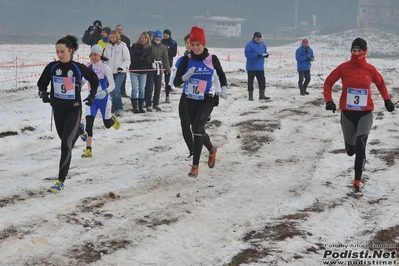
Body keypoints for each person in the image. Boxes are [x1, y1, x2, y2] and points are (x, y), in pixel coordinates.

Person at [323, 37, 395, 198]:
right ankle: (352, 149)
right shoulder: (343, 68)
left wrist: (387, 100)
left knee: (361, 143)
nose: (356, 54)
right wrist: (329, 101)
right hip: (348, 114)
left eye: (359, 51)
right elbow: (328, 82)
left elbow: (381, 84)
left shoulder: (370, 69)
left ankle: (356, 183)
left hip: (365, 113)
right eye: (354, 51)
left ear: (365, 51)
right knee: (350, 150)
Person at [37, 35, 99, 193]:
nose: (59, 54)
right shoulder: (52, 67)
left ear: (70, 51)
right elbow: (41, 84)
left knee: (65, 145)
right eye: (57, 51)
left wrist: (92, 96)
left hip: (74, 109)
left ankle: (60, 180)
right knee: (66, 141)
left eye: (62, 51)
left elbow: (94, 79)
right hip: (58, 110)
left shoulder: (77, 68)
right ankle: (80, 129)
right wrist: (43, 94)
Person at [174, 26, 228, 178]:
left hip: (206, 99)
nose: (195, 47)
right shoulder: (186, 60)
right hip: (190, 100)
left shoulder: (212, 59)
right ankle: (211, 150)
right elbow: (176, 82)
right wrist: (185, 77)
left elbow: (221, 75)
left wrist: (223, 88)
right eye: (193, 44)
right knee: (198, 130)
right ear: (189, 45)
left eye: (198, 44)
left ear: (203, 44)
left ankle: (195, 167)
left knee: (197, 128)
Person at [81, 44, 120, 158]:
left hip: (104, 100)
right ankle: (88, 150)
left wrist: (106, 91)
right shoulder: (88, 68)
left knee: (107, 125)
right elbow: (83, 81)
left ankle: (112, 119)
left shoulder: (104, 67)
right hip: (92, 100)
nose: (93, 57)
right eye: (91, 54)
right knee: (89, 124)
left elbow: (113, 84)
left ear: (100, 55)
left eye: (95, 55)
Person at [169, 33, 193, 158]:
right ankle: (192, 150)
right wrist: (169, 84)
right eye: (187, 43)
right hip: (186, 93)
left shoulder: (203, 58)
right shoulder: (182, 59)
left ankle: (209, 148)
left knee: (197, 127)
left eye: (192, 42)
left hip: (199, 96)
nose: (189, 45)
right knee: (184, 124)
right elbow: (174, 75)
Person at [103, 30, 131, 116]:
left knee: (116, 89)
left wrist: (121, 67)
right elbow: (105, 59)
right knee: (111, 90)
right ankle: (114, 107)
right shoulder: (107, 47)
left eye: (113, 37)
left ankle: (119, 107)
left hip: (120, 71)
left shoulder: (123, 46)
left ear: (117, 37)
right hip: (110, 72)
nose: (112, 39)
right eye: (110, 37)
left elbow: (127, 59)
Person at [145, 30, 170, 112]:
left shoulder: (163, 47)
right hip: (150, 67)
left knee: (158, 86)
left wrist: (167, 69)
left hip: (159, 68)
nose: (158, 38)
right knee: (149, 86)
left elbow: (165, 59)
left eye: (159, 37)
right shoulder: (150, 45)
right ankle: (148, 103)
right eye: (156, 37)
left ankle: (156, 103)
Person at [129, 32, 152, 114]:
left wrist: (148, 60)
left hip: (143, 71)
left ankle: (141, 106)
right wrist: (141, 58)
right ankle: (134, 107)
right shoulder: (134, 46)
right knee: (135, 89)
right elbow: (132, 58)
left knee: (142, 89)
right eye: (142, 38)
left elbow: (150, 60)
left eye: (145, 38)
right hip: (134, 70)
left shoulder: (149, 48)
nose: (143, 40)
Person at [244, 31, 270, 101]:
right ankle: (250, 96)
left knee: (262, 81)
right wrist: (256, 55)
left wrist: (266, 55)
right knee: (250, 82)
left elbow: (265, 52)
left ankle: (262, 95)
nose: (258, 39)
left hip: (260, 67)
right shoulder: (249, 45)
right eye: (257, 37)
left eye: (259, 37)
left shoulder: (263, 45)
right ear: (254, 37)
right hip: (251, 67)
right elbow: (247, 55)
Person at [162, 29, 178, 103]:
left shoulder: (173, 42)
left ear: (169, 35)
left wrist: (167, 49)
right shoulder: (161, 41)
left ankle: (167, 95)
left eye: (166, 34)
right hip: (159, 63)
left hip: (168, 63)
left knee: (167, 80)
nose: (165, 35)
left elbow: (174, 54)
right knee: (157, 80)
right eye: (164, 34)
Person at [116, 24, 131, 98]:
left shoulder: (126, 39)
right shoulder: (113, 38)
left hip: (124, 61)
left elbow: (128, 51)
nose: (119, 31)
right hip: (115, 61)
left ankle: (123, 92)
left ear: (123, 30)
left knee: (124, 77)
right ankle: (116, 92)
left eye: (120, 29)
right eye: (118, 29)